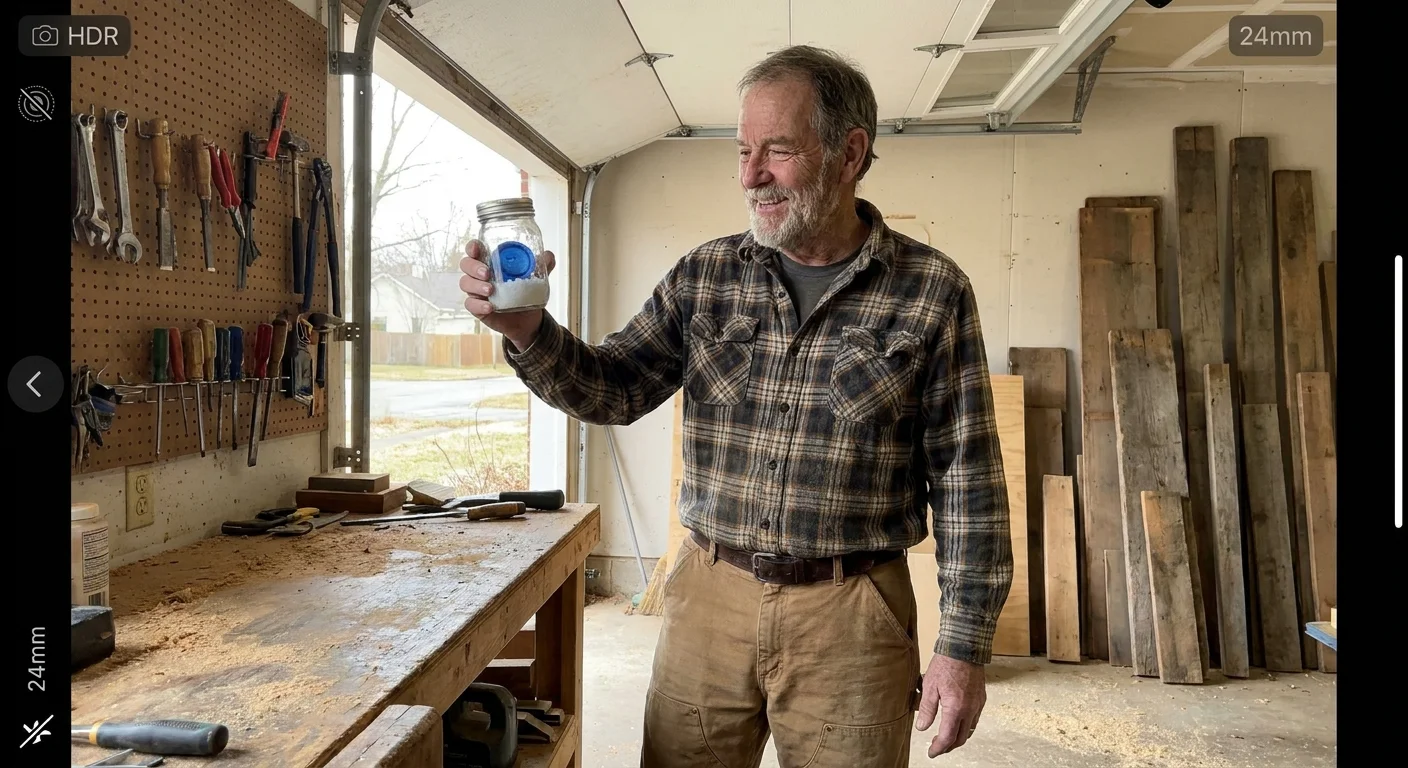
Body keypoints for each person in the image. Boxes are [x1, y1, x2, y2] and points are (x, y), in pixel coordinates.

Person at [461, 45, 1013, 766]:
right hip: (709, 599)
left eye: (777, 151)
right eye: (744, 151)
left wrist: (963, 649)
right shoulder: (707, 275)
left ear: (850, 154)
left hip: (852, 615)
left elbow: (969, 483)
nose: (751, 176)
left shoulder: (931, 289)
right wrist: (527, 331)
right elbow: (615, 385)